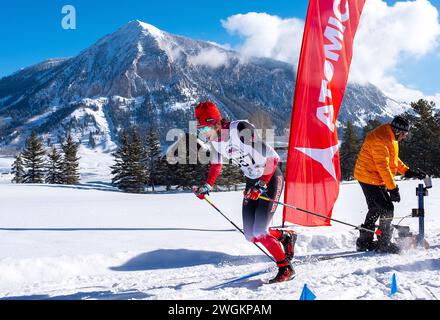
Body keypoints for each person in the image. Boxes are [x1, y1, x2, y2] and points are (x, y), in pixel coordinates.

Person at [193, 101, 297, 283]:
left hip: (270, 177)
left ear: (215, 123)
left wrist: (261, 185)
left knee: (261, 231)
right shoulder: (216, 141)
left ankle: (285, 268)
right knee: (250, 234)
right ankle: (285, 237)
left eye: (204, 129)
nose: (202, 134)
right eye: (200, 130)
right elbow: (217, 165)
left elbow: (273, 158)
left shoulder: (240, 129)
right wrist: (207, 187)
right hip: (252, 182)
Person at [354, 116, 426, 254]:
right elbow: (383, 167)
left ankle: (364, 241)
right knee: (387, 208)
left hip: (373, 176)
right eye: (404, 134)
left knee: (376, 208)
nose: (404, 137)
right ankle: (384, 243)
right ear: (398, 131)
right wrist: (393, 188)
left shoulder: (390, 136)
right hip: (369, 177)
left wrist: (407, 171)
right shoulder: (381, 139)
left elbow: (393, 159)